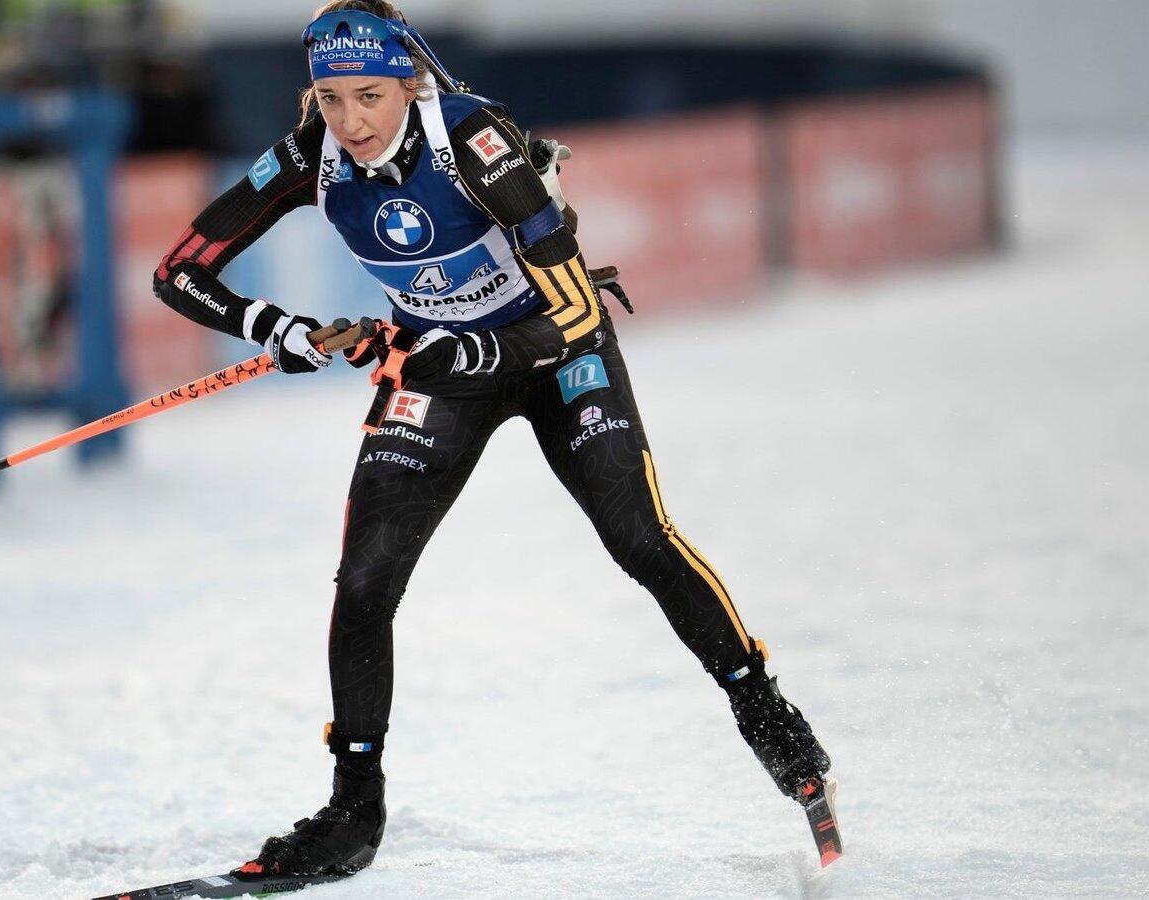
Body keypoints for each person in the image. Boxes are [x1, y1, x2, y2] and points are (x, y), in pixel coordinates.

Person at [151, 0, 833, 879]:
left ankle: (767, 714)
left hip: (556, 355)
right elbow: (178, 271)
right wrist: (272, 327)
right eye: (331, 98)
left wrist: (472, 349)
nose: (351, 122)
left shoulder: (472, 140)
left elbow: (576, 307)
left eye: (370, 96)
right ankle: (353, 809)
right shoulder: (310, 154)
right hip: (441, 371)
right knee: (365, 584)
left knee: (638, 538)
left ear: (408, 84)